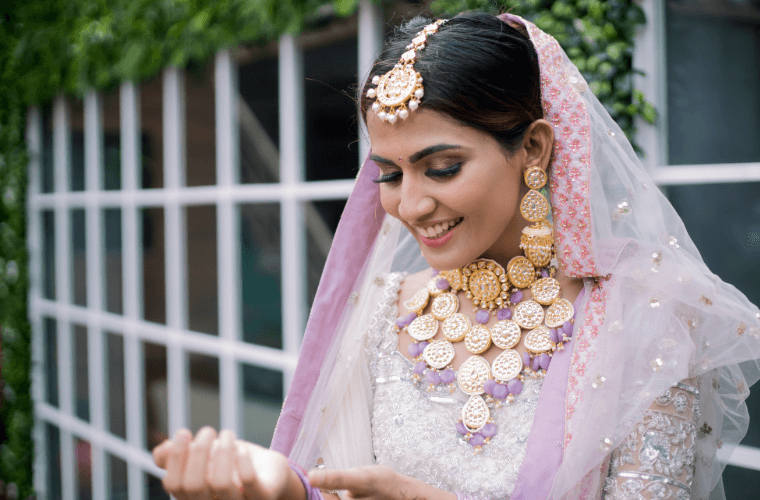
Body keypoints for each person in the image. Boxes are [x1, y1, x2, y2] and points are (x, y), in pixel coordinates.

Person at [153, 11, 760, 500]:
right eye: (388, 175)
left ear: (536, 149)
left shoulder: (645, 317)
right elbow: (346, 488)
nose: (412, 205)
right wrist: (286, 490)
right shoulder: (384, 309)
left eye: (441, 168)